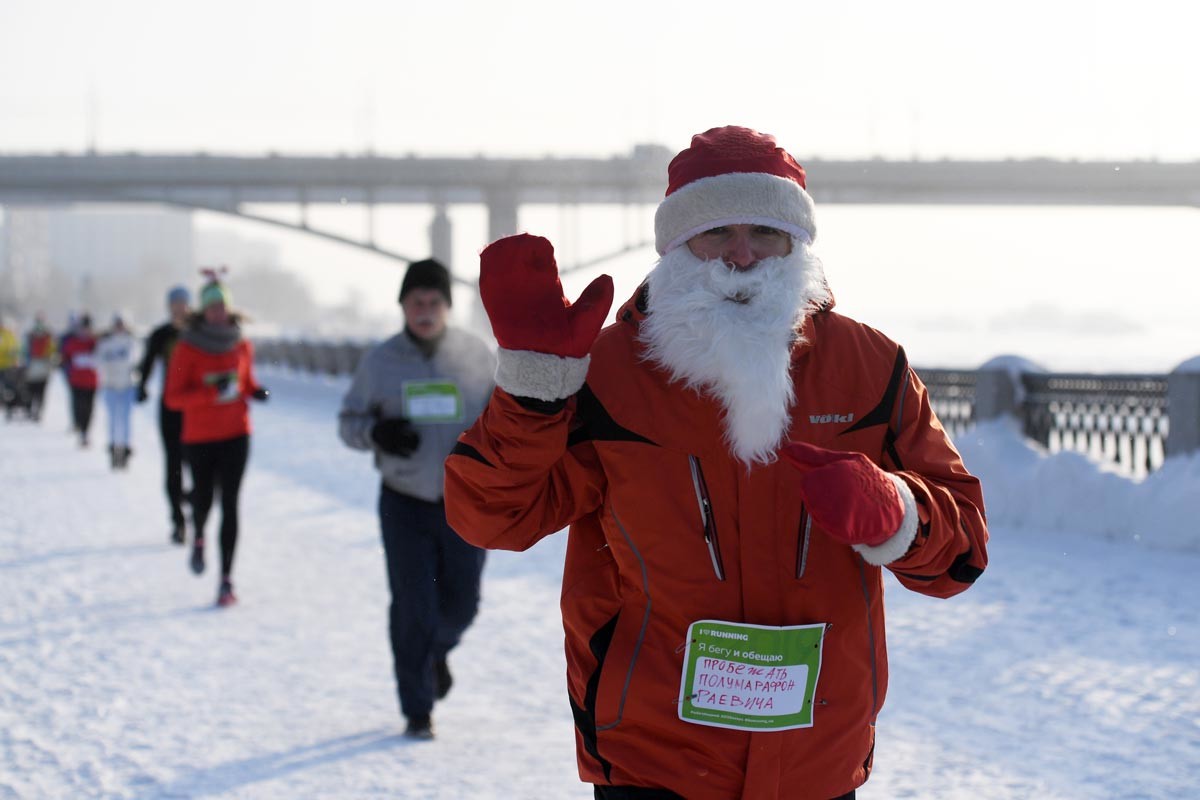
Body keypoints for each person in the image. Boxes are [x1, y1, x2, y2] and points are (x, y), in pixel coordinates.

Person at [444, 126, 990, 800]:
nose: (741, 254)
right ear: (676, 246)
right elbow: (493, 518)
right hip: (655, 759)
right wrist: (530, 391)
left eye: (765, 232)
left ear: (797, 245)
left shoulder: (871, 366)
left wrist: (899, 512)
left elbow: (962, 549)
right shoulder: (610, 373)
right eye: (716, 232)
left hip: (820, 760)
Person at [337, 258, 495, 740]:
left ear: (447, 306)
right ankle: (416, 707)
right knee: (411, 605)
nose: (424, 310)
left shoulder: (477, 356)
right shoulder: (380, 362)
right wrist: (377, 433)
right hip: (404, 500)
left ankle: (435, 652)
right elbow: (348, 423)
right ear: (403, 306)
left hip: (465, 503)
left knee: (462, 605)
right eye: (415, 302)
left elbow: (506, 422)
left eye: (433, 302)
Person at [164, 274, 268, 607]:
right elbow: (173, 399)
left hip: (237, 433)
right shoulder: (187, 346)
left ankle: (226, 579)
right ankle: (198, 537)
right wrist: (210, 393)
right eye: (211, 306)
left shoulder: (241, 343)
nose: (218, 312)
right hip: (200, 437)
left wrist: (257, 391)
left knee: (232, 503)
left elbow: (246, 381)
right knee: (204, 499)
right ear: (202, 311)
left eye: (222, 305)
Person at [137, 286, 194, 543]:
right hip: (170, 407)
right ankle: (177, 520)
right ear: (169, 306)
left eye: (184, 303)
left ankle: (193, 500)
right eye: (175, 303)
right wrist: (142, 387)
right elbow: (147, 362)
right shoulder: (160, 335)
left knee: (198, 463)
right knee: (173, 465)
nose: (179, 307)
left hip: (196, 408)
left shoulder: (198, 333)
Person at [95, 313, 139, 469]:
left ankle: (126, 450)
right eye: (117, 324)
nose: (119, 327)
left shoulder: (131, 342)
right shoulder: (105, 343)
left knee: (126, 420)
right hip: (110, 386)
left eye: (122, 324)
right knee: (113, 420)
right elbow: (99, 361)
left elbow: (133, 361)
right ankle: (113, 449)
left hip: (127, 386)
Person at [60, 314, 99, 447]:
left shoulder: (95, 342)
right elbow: (65, 357)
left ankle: (85, 432)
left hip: (92, 382)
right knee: (78, 406)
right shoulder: (73, 342)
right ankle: (80, 426)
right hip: (76, 381)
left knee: (89, 408)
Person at [23, 314, 57, 421]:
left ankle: (32, 410)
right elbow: (52, 351)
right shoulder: (47, 335)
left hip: (33, 367)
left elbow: (25, 351)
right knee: (40, 392)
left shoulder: (30, 335)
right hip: (43, 367)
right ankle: (36, 411)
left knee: (32, 391)